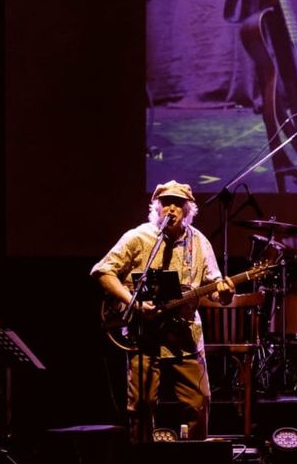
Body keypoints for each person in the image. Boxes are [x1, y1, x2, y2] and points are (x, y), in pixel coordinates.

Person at [91, 180, 234, 442]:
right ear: (156, 207)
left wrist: (224, 293)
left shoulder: (199, 243)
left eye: (178, 204)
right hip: (144, 334)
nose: (171, 208)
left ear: (188, 209)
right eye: (166, 202)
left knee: (198, 402)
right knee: (141, 405)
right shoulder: (139, 237)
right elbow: (103, 271)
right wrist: (133, 302)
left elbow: (214, 287)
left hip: (184, 336)